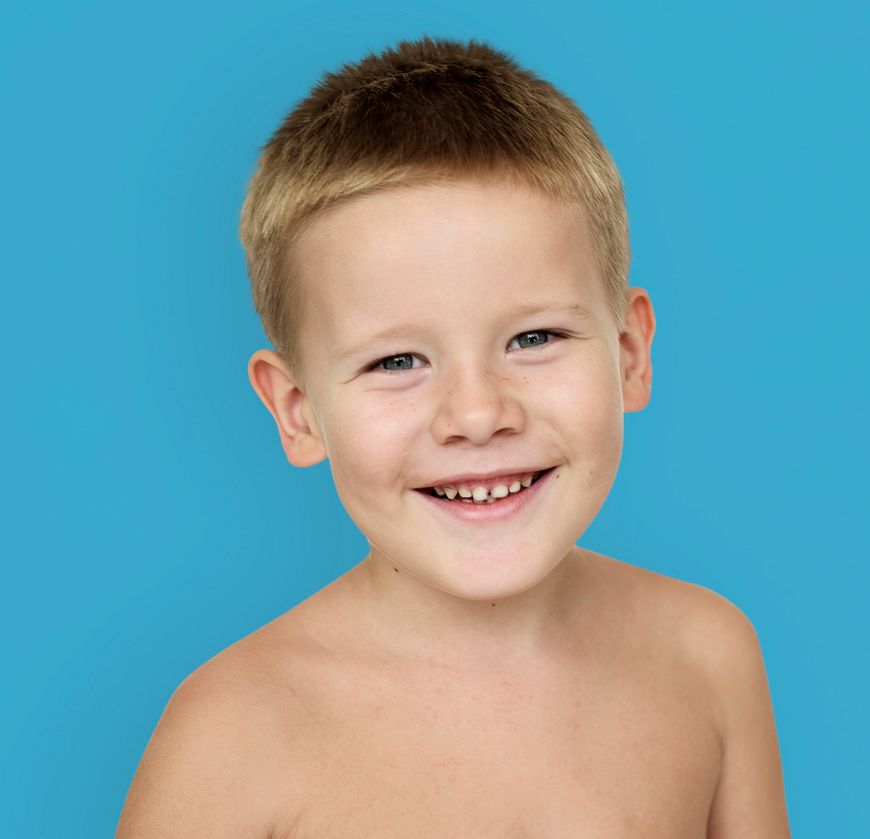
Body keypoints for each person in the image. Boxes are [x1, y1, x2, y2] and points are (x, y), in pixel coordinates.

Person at [116, 36, 792, 837]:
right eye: (398, 359)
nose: (477, 414)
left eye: (534, 338)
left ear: (629, 354)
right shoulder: (233, 734)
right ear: (297, 410)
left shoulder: (707, 656)